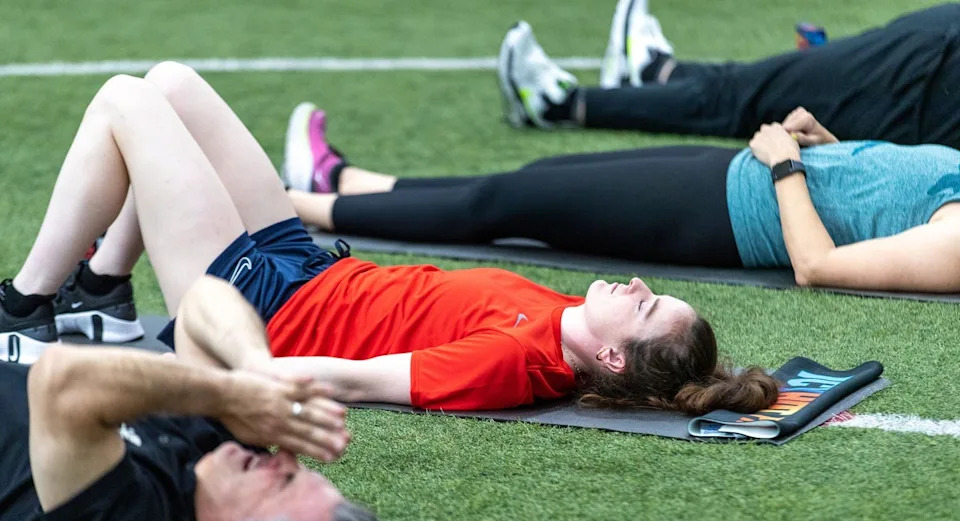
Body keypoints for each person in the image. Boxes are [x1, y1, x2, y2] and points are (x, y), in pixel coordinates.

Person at [0, 62, 778, 415]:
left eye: (644, 309)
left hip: (260, 306)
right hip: (301, 264)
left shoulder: (515, 363)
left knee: (124, 103)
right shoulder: (568, 315)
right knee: (170, 85)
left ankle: (24, 306)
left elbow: (361, 381)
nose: (637, 289)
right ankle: (102, 293)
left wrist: (222, 370)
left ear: (610, 357)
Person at [0, 274, 386, 521]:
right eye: (299, 470)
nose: (283, 457)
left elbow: (61, 378)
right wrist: (258, 370)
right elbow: (202, 298)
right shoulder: (219, 469)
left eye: (284, 482)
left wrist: (231, 396)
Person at [281, 101, 960, 294]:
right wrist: (827, 147)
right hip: (736, 174)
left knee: (504, 208)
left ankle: (297, 204)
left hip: (719, 214)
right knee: (528, 182)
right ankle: (344, 181)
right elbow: (876, 207)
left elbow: (820, 266)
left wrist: (787, 169)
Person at [497, 2, 960, 150]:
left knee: (743, 97)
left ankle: (559, 105)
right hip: (942, 54)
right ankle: (657, 73)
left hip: (935, 91)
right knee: (755, 85)